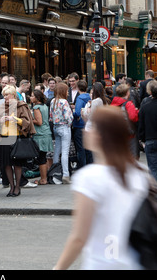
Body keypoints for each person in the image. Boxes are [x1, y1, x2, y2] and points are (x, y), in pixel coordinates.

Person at [54, 106, 149, 270]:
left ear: (100, 135)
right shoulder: (141, 173)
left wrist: (59, 267)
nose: (86, 131)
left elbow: (79, 237)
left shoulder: (89, 178)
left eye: (90, 127)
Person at [0, 85, 36, 197]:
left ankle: (18, 187)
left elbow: (27, 122)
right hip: (5, 138)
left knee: (17, 164)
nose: (5, 97)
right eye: (4, 95)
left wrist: (15, 119)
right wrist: (0, 120)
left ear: (13, 95)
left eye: (7, 95)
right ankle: (11, 187)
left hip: (17, 138)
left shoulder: (21, 105)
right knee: (7, 165)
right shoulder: (2, 106)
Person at [49, 83, 73, 184]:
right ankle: (66, 175)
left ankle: (55, 171)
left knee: (57, 150)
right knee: (65, 152)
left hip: (56, 126)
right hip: (64, 127)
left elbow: (50, 116)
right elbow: (68, 117)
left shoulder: (53, 101)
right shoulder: (64, 102)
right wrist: (70, 122)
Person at [30, 89, 53, 185]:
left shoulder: (36, 108)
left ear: (37, 98)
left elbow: (39, 122)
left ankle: (43, 179)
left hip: (40, 134)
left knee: (41, 157)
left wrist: (30, 119)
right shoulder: (44, 106)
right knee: (44, 156)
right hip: (46, 133)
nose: (30, 97)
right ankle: (45, 177)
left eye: (32, 96)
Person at [111, 84, 139, 159]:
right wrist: (136, 112)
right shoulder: (128, 104)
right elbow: (133, 117)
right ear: (127, 92)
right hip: (129, 134)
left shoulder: (112, 104)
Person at [72, 80, 93, 169]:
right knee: (88, 148)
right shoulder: (89, 97)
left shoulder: (80, 98)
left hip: (79, 125)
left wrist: (72, 113)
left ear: (77, 88)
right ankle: (90, 166)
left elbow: (77, 112)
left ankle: (82, 167)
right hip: (88, 125)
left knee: (80, 148)